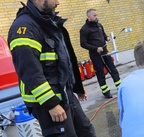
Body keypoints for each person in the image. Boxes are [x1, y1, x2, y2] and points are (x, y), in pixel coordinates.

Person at [7, 0, 96, 137]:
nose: (58, 2)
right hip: (48, 102)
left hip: (65, 94)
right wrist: (51, 104)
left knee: (86, 131)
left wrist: (77, 87)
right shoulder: (24, 28)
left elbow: (65, 59)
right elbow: (30, 71)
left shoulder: (47, 22)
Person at [80, 9, 121, 98]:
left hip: (105, 52)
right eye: (94, 15)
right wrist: (95, 49)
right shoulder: (84, 29)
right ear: (89, 16)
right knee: (100, 73)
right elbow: (83, 43)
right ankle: (106, 91)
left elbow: (104, 35)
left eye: (97, 15)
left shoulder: (99, 25)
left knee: (113, 70)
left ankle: (120, 88)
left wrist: (107, 38)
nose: (96, 17)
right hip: (96, 55)